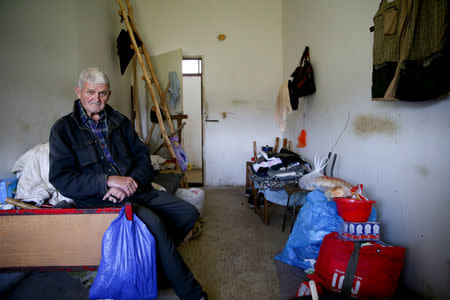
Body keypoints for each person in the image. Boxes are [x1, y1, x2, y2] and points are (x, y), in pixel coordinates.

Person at [49, 67, 207, 300]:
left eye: (102, 93)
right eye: (90, 92)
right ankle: (193, 294)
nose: (97, 99)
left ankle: (158, 269)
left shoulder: (120, 122)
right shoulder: (63, 130)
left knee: (188, 213)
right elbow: (63, 179)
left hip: (138, 191)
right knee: (156, 227)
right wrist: (108, 181)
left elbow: (143, 159)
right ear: (78, 92)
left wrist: (131, 181)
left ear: (109, 94)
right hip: (103, 200)